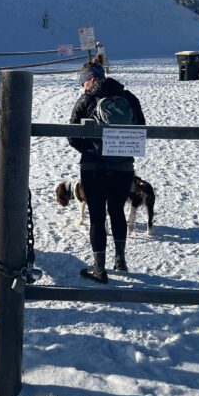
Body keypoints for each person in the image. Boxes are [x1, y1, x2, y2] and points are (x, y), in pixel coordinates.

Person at [68, 60, 146, 283]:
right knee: (117, 211)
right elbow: (141, 127)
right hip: (123, 166)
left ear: (90, 79)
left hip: (93, 167)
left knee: (97, 217)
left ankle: (99, 269)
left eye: (83, 82)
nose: (83, 86)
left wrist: (90, 150)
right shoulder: (129, 97)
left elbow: (72, 134)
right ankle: (120, 260)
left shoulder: (86, 100)